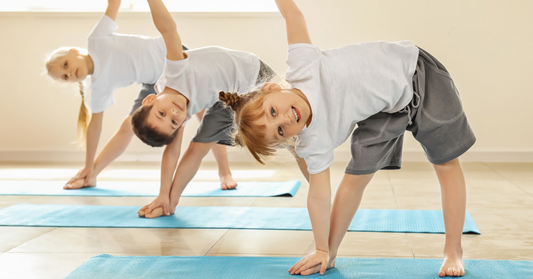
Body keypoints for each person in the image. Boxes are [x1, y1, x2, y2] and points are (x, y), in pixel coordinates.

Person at [219, 0, 475, 277]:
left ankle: (453, 250)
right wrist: (320, 248)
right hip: (384, 111)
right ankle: (331, 250)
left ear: (271, 88)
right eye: (279, 131)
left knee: (446, 163)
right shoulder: (311, 141)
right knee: (353, 178)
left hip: (417, 73)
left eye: (273, 111)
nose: (285, 119)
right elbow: (318, 196)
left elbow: (292, 13)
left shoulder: (303, 66)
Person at [45, 0, 237, 190]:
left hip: (174, 60)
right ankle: (91, 175)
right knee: (127, 127)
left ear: (74, 52)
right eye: (64, 77)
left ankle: (224, 171)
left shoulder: (96, 40)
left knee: (205, 116)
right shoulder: (96, 87)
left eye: (66, 65)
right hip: (154, 82)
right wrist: (88, 165)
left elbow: (113, 4)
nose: (69, 73)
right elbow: (94, 127)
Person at [135, 0, 275, 218]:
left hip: (252, 76)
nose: (173, 114)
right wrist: (164, 195)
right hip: (225, 98)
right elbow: (172, 152)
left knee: (287, 136)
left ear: (150, 100)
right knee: (196, 148)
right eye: (173, 122)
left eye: (161, 113)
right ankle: (170, 204)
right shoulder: (179, 111)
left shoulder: (175, 72)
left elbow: (168, 29)